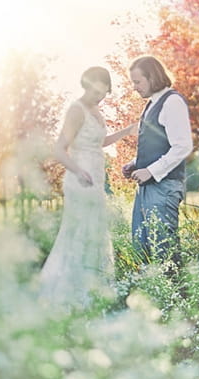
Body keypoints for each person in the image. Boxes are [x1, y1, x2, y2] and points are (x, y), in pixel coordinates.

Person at [39, 66, 136, 308]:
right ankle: (70, 293)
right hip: (79, 179)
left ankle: (90, 289)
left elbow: (98, 142)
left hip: (95, 179)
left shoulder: (96, 110)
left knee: (95, 231)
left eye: (104, 94)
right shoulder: (76, 109)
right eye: (96, 93)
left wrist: (126, 131)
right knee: (79, 232)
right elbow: (59, 149)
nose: (99, 98)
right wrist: (77, 170)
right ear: (86, 85)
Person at [121, 56, 193, 272]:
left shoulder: (172, 102)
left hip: (164, 187)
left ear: (152, 77)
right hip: (147, 187)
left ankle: (176, 300)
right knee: (141, 246)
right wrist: (135, 164)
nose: (134, 88)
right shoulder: (151, 104)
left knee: (165, 250)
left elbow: (183, 146)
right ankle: (150, 299)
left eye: (137, 82)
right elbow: (158, 145)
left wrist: (151, 171)